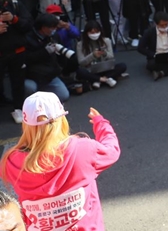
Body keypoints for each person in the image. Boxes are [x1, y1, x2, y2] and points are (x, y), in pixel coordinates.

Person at [1, 92, 120, 231]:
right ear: (61, 119)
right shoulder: (83, 149)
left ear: (26, 125)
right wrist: (101, 124)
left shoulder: (11, 161)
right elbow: (112, 150)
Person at [0, 0, 32, 123]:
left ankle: (19, 108)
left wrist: (14, 19)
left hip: (17, 51)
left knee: (18, 82)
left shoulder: (15, 4)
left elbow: (29, 25)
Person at [24, 13, 70, 104]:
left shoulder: (53, 36)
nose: (53, 30)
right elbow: (26, 59)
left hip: (49, 75)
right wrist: (45, 52)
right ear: (43, 27)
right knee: (30, 88)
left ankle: (44, 96)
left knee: (64, 95)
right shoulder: (27, 38)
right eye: (51, 27)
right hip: (32, 75)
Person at [77, 20, 127, 89]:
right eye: (92, 32)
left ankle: (98, 80)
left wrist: (105, 53)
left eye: (97, 32)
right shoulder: (80, 45)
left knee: (122, 66)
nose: (95, 34)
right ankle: (105, 80)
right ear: (87, 33)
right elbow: (81, 63)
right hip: (91, 70)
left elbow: (111, 57)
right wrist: (93, 55)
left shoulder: (106, 41)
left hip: (105, 68)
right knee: (80, 72)